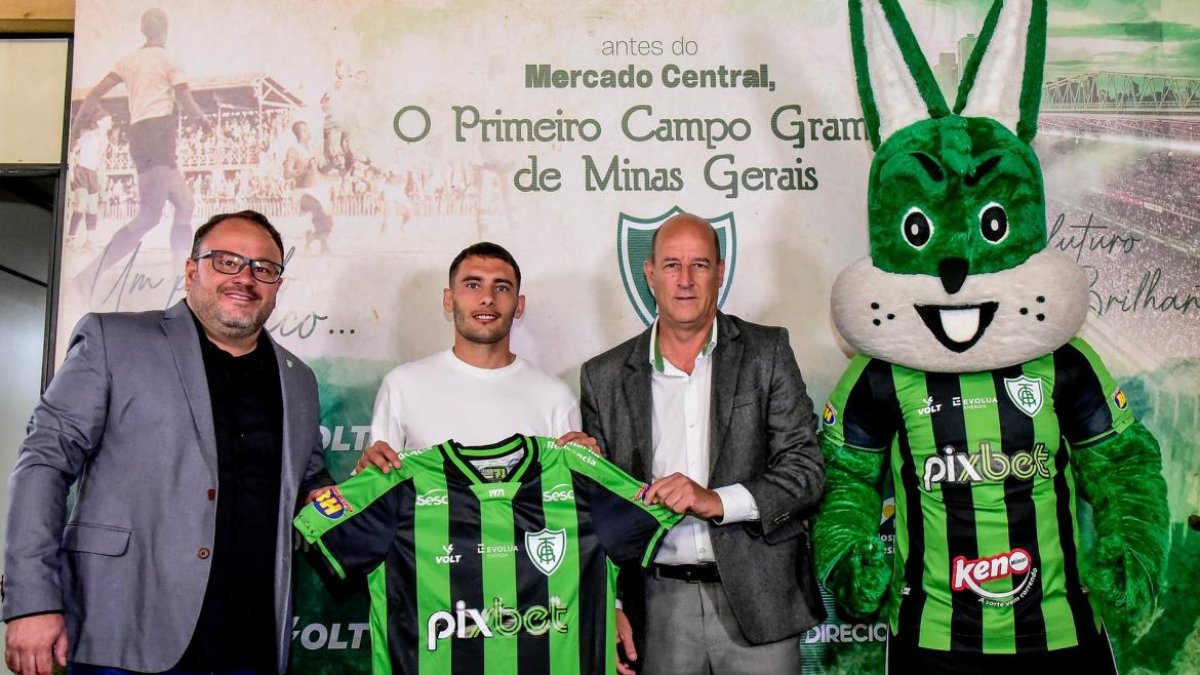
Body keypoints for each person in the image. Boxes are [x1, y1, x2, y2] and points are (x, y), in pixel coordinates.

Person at [3, 210, 331, 675]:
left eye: (264, 268)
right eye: (226, 261)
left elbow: (308, 485)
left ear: (277, 284)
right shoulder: (113, 339)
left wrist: (362, 487)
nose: (246, 278)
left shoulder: (298, 380)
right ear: (192, 270)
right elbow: (43, 465)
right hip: (122, 632)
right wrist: (31, 600)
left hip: (251, 643)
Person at [579, 213, 826, 675]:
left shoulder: (767, 351)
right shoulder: (604, 376)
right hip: (655, 604)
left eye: (700, 265)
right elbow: (598, 508)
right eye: (672, 265)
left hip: (760, 599)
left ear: (720, 271)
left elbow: (806, 472)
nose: (686, 280)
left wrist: (715, 501)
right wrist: (608, 603)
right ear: (650, 275)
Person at [356, 242, 595, 475]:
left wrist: (591, 471)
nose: (487, 298)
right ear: (448, 299)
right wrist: (368, 471)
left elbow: (572, 498)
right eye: (472, 285)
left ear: (519, 305)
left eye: (501, 287)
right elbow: (377, 490)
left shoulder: (555, 396)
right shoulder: (402, 385)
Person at [74, 8, 211, 295]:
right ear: (166, 29)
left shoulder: (128, 60)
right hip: (158, 135)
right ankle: (89, 275)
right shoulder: (168, 60)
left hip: (143, 134)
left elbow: (95, 93)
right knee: (148, 217)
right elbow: (185, 101)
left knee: (185, 204)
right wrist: (202, 119)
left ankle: (181, 277)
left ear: (143, 30)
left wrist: (76, 124)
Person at [282, 121, 334, 255]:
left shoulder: (311, 149)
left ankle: (313, 237)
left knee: (328, 223)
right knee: (319, 210)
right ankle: (323, 244)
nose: (310, 131)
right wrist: (304, 170)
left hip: (319, 190)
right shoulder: (293, 151)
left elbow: (318, 171)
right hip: (303, 192)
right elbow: (287, 174)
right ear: (302, 132)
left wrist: (332, 165)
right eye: (307, 129)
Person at [66, 112, 112, 250]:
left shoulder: (106, 139)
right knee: (81, 204)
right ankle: (70, 238)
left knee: (92, 207)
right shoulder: (89, 134)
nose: (111, 122)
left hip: (93, 173)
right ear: (99, 122)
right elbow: (73, 151)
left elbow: (101, 160)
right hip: (81, 170)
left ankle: (89, 241)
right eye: (108, 120)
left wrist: (102, 177)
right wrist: (71, 171)